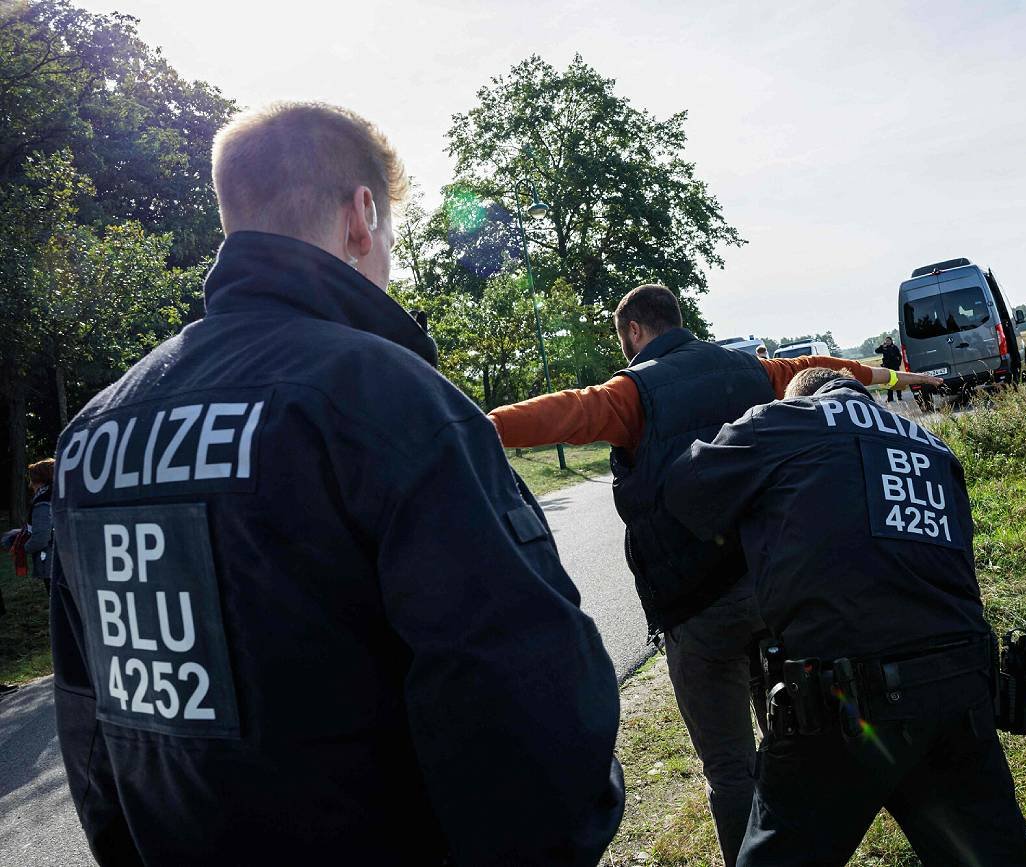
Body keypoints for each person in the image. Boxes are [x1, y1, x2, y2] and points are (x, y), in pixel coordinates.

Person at [49, 102, 623, 867]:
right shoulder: (392, 400)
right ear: (362, 216)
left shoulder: (93, 433)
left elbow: (92, 719)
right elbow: (520, 705)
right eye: (390, 235)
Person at [488, 288, 940, 866]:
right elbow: (824, 370)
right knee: (792, 742)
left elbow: (567, 411)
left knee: (730, 769)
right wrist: (900, 380)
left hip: (697, 610)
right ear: (678, 321)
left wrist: (469, 423)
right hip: (771, 588)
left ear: (632, 333)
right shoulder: (751, 370)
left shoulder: (632, 393)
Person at [662, 366, 1026, 867]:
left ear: (800, 398)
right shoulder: (933, 448)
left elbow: (683, 487)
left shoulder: (781, 421)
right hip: (959, 690)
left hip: (839, 703)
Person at [24, 458, 55, 594]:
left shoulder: (42, 501)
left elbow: (41, 536)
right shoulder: (60, 495)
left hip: (51, 562)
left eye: (32, 480)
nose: (31, 485)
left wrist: (24, 548)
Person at [874, 335, 903, 402]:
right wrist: (882, 346)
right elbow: (876, 351)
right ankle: (890, 398)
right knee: (889, 382)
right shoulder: (884, 347)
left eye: (888, 340)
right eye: (886, 341)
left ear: (891, 341)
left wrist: (898, 364)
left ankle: (899, 397)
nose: (887, 342)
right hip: (887, 368)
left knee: (897, 382)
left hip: (895, 367)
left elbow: (900, 356)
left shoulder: (894, 347)